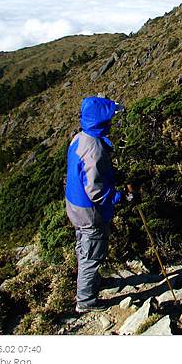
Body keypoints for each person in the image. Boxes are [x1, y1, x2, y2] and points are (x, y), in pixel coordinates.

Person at [65, 96, 125, 313]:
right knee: (92, 252)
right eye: (109, 118)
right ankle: (86, 300)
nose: (112, 122)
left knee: (84, 245)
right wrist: (120, 197)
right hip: (89, 210)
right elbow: (97, 191)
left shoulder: (79, 138)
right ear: (101, 122)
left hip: (75, 204)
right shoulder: (94, 150)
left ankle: (91, 284)